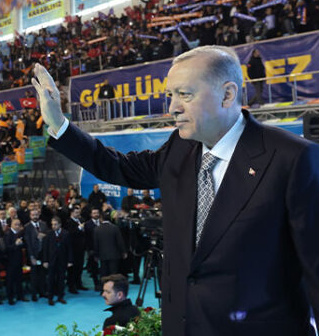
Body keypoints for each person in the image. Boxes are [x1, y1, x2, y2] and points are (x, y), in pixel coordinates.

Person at [32, 46, 319, 335]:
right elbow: (117, 166)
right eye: (171, 95)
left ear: (227, 94)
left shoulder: (293, 159)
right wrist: (59, 125)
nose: (172, 108)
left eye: (185, 94)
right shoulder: (178, 148)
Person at [41, 216, 72, 305]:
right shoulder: (49, 234)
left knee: (61, 279)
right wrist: (45, 261)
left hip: (62, 260)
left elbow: (69, 248)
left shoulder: (66, 234)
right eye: (52, 224)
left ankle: (60, 296)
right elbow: (45, 248)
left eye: (55, 224)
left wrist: (70, 260)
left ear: (60, 224)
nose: (53, 226)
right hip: (51, 261)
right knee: (51, 279)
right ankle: (50, 298)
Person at [64, 206, 87, 293]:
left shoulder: (81, 220)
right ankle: (71, 286)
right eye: (76, 212)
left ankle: (79, 284)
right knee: (72, 269)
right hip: (72, 249)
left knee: (80, 267)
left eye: (79, 212)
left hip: (81, 249)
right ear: (72, 213)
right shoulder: (68, 222)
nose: (78, 214)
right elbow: (69, 234)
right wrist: (79, 228)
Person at [3, 218, 26, 305]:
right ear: (11, 225)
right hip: (10, 261)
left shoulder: (19, 233)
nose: (17, 226)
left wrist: (21, 244)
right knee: (10, 281)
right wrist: (16, 245)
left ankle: (20, 295)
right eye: (15, 224)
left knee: (19, 279)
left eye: (19, 224)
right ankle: (10, 298)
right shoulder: (7, 234)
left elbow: (23, 245)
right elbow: (6, 248)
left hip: (19, 260)